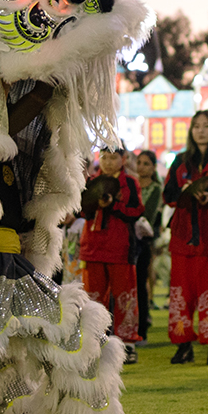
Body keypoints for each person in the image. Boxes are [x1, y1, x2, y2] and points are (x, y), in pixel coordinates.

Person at [163, 110, 208, 365]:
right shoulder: (180, 161)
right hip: (183, 236)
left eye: (206, 126)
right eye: (196, 126)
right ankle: (183, 345)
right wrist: (183, 193)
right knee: (181, 293)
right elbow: (167, 194)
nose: (201, 131)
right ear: (191, 131)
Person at [78, 146, 144, 362]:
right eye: (104, 157)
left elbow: (136, 211)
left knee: (125, 297)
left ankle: (128, 342)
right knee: (93, 298)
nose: (107, 162)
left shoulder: (131, 183)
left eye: (113, 157)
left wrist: (113, 205)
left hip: (121, 248)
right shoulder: (90, 182)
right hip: (93, 248)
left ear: (123, 159)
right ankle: (95, 340)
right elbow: (80, 210)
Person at [130, 150, 162, 338]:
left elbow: (147, 215)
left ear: (153, 167)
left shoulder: (155, 188)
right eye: (139, 163)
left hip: (142, 241)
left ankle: (142, 327)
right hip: (126, 240)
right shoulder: (130, 183)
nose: (141, 167)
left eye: (146, 164)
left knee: (140, 284)